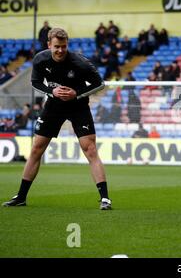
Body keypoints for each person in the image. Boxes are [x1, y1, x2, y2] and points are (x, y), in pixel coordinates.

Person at [2, 28, 111, 210]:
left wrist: (76, 94)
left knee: (90, 149)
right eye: (56, 47)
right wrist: (51, 91)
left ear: (67, 45)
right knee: (36, 149)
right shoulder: (40, 59)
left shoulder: (80, 62)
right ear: (49, 45)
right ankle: (20, 196)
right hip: (53, 107)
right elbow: (35, 82)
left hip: (78, 107)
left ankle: (105, 199)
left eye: (63, 46)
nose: (60, 50)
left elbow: (99, 83)